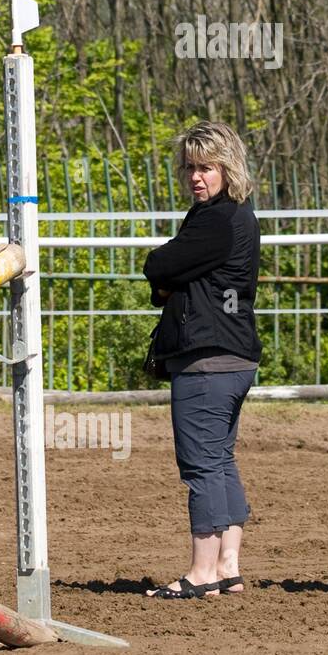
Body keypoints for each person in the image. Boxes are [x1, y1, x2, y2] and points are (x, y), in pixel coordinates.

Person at [143, 122, 262, 599]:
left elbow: (158, 266)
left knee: (201, 466)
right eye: (190, 167)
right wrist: (172, 279)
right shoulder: (238, 216)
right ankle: (228, 566)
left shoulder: (215, 219)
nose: (196, 177)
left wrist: (169, 276)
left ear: (226, 168)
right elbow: (170, 277)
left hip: (206, 360)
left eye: (206, 167)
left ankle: (202, 572)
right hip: (233, 357)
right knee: (220, 460)